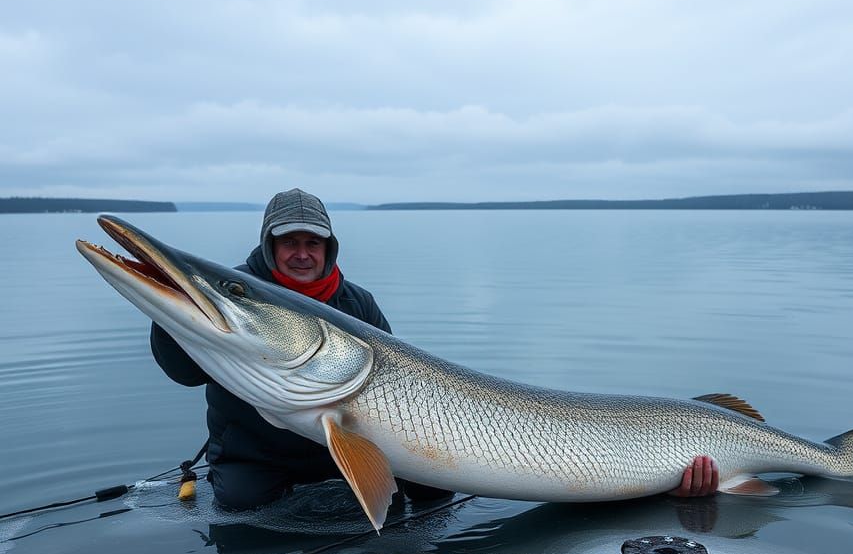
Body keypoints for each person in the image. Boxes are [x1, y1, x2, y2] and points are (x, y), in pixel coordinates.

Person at [152, 187, 717, 510]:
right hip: (262, 457)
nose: (302, 253)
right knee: (242, 504)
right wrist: (170, 312)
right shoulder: (234, 299)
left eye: (312, 242)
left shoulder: (357, 303)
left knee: (433, 490)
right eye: (289, 242)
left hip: (348, 439)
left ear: (328, 246)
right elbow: (180, 370)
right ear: (268, 246)